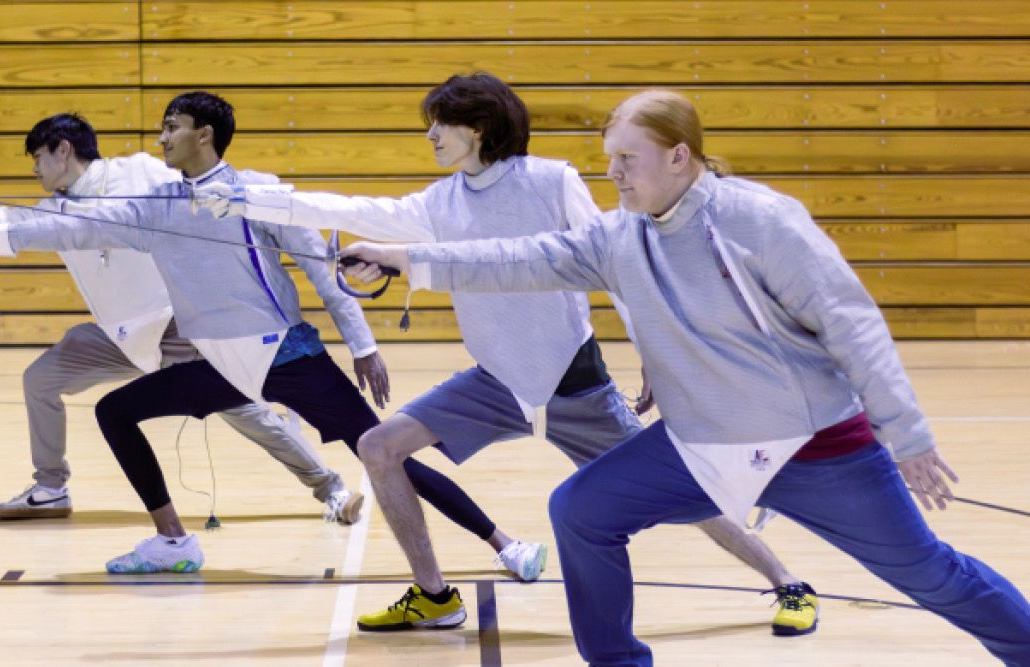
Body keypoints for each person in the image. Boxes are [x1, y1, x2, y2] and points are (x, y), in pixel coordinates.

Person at [339, 89, 1030, 665]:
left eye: (627, 160)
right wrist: (402, 258)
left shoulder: (759, 220)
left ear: (679, 156)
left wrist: (906, 434)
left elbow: (851, 322)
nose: (613, 173)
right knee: (581, 509)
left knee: (928, 573)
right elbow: (512, 258)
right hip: (698, 443)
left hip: (813, 445)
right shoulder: (618, 236)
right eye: (609, 158)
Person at [208, 73, 818, 635]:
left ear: (477, 128)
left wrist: (655, 356)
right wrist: (251, 200)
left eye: (438, 124)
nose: (429, 135)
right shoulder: (440, 202)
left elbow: (618, 267)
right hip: (496, 384)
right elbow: (351, 210)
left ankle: (790, 582)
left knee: (679, 493)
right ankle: (434, 596)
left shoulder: (551, 180)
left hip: (574, 386)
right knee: (378, 446)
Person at [0, 91, 532, 578]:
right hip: (218, 365)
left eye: (171, 126)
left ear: (203, 134)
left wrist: (364, 345)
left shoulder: (259, 192)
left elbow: (323, 271)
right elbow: (49, 229)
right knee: (116, 412)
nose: (160, 138)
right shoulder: (152, 206)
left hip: (289, 357)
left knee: (384, 456)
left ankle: (502, 542)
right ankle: (172, 542)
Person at [0, 114, 366, 525]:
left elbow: (207, 183)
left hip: (178, 328)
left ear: (62, 150)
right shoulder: (52, 210)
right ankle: (51, 489)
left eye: (38, 159)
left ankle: (330, 489)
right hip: (119, 337)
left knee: (242, 410)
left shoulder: (139, 173)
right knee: (41, 379)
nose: (36, 172)